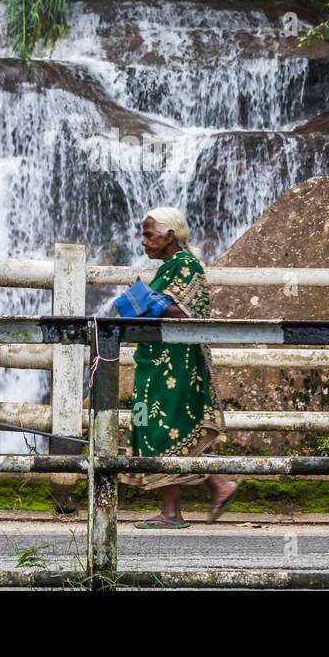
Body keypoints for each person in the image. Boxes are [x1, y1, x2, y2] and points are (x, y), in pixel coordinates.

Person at [120, 207, 238, 529]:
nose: (143, 242)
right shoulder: (171, 267)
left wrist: (144, 300)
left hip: (176, 365)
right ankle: (214, 487)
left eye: (149, 234)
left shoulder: (185, 266)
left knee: (165, 430)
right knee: (160, 430)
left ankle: (177, 509)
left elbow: (185, 313)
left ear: (169, 236)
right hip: (158, 363)